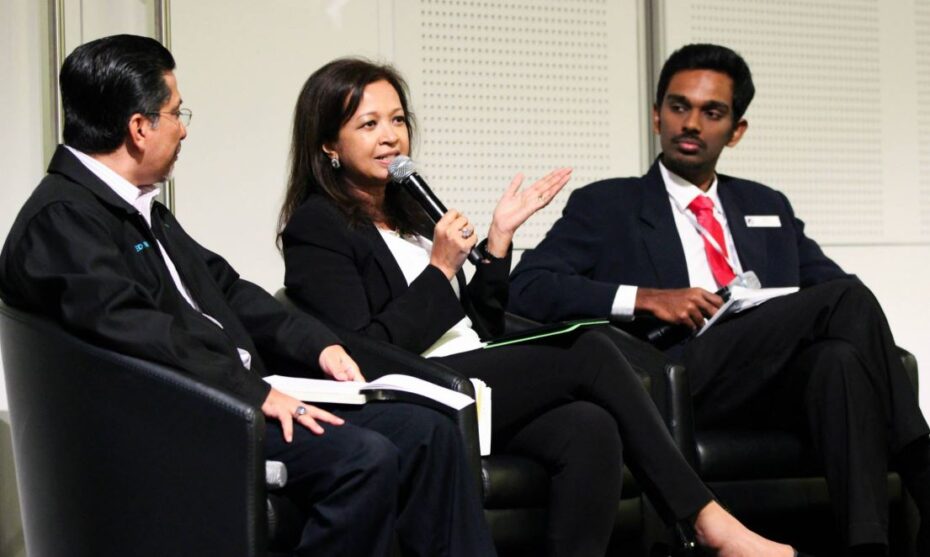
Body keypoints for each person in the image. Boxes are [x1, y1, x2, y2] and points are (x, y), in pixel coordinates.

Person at [277, 56, 802, 557]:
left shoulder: (409, 209)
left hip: (469, 376)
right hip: (414, 388)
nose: (390, 136)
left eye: (396, 120)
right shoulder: (317, 227)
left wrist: (498, 241)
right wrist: (440, 269)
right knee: (590, 350)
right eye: (368, 124)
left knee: (588, 426)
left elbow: (473, 325)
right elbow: (363, 350)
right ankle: (708, 520)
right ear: (329, 144)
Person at [0, 34, 496, 557]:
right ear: (140, 128)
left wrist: (319, 346)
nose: (184, 128)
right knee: (362, 458)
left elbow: (229, 289)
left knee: (428, 431)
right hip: (191, 418)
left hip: (231, 397)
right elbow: (142, 335)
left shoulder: (136, 207)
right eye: (176, 112)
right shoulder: (64, 220)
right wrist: (254, 393)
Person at [508, 42, 930, 557]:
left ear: (737, 130)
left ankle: (867, 546)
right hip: (679, 375)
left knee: (839, 356)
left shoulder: (766, 205)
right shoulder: (608, 204)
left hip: (771, 382)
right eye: (679, 106)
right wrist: (646, 298)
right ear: (656, 115)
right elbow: (529, 286)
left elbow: (837, 293)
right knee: (846, 301)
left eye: (712, 112)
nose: (691, 123)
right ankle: (922, 468)